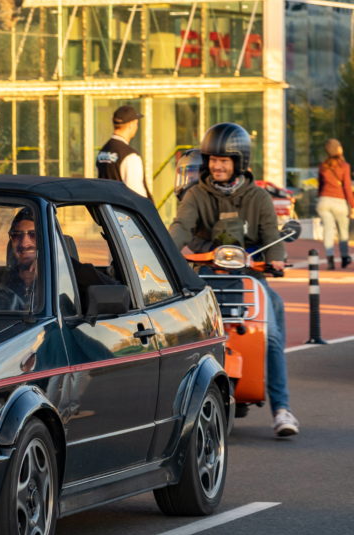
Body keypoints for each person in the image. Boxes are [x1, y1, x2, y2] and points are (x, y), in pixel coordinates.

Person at [170, 122, 299, 438]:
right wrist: (166, 252)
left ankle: (282, 409)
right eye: (213, 160)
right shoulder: (196, 194)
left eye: (224, 160)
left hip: (250, 277)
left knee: (271, 335)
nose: (217, 166)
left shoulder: (258, 197)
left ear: (239, 162)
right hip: (207, 276)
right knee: (183, 335)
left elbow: (271, 234)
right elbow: (181, 228)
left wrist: (276, 257)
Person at [96, 105, 152, 200]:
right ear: (131, 125)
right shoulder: (130, 156)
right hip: (123, 208)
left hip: (106, 207)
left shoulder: (103, 152)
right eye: (136, 123)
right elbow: (136, 193)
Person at [316, 138, 354, 270]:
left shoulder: (323, 166)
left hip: (323, 201)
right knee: (343, 231)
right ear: (338, 149)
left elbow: (320, 186)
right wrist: (352, 205)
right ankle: (344, 257)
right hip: (339, 201)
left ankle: (330, 259)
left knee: (328, 230)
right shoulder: (344, 166)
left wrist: (321, 197)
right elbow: (347, 187)